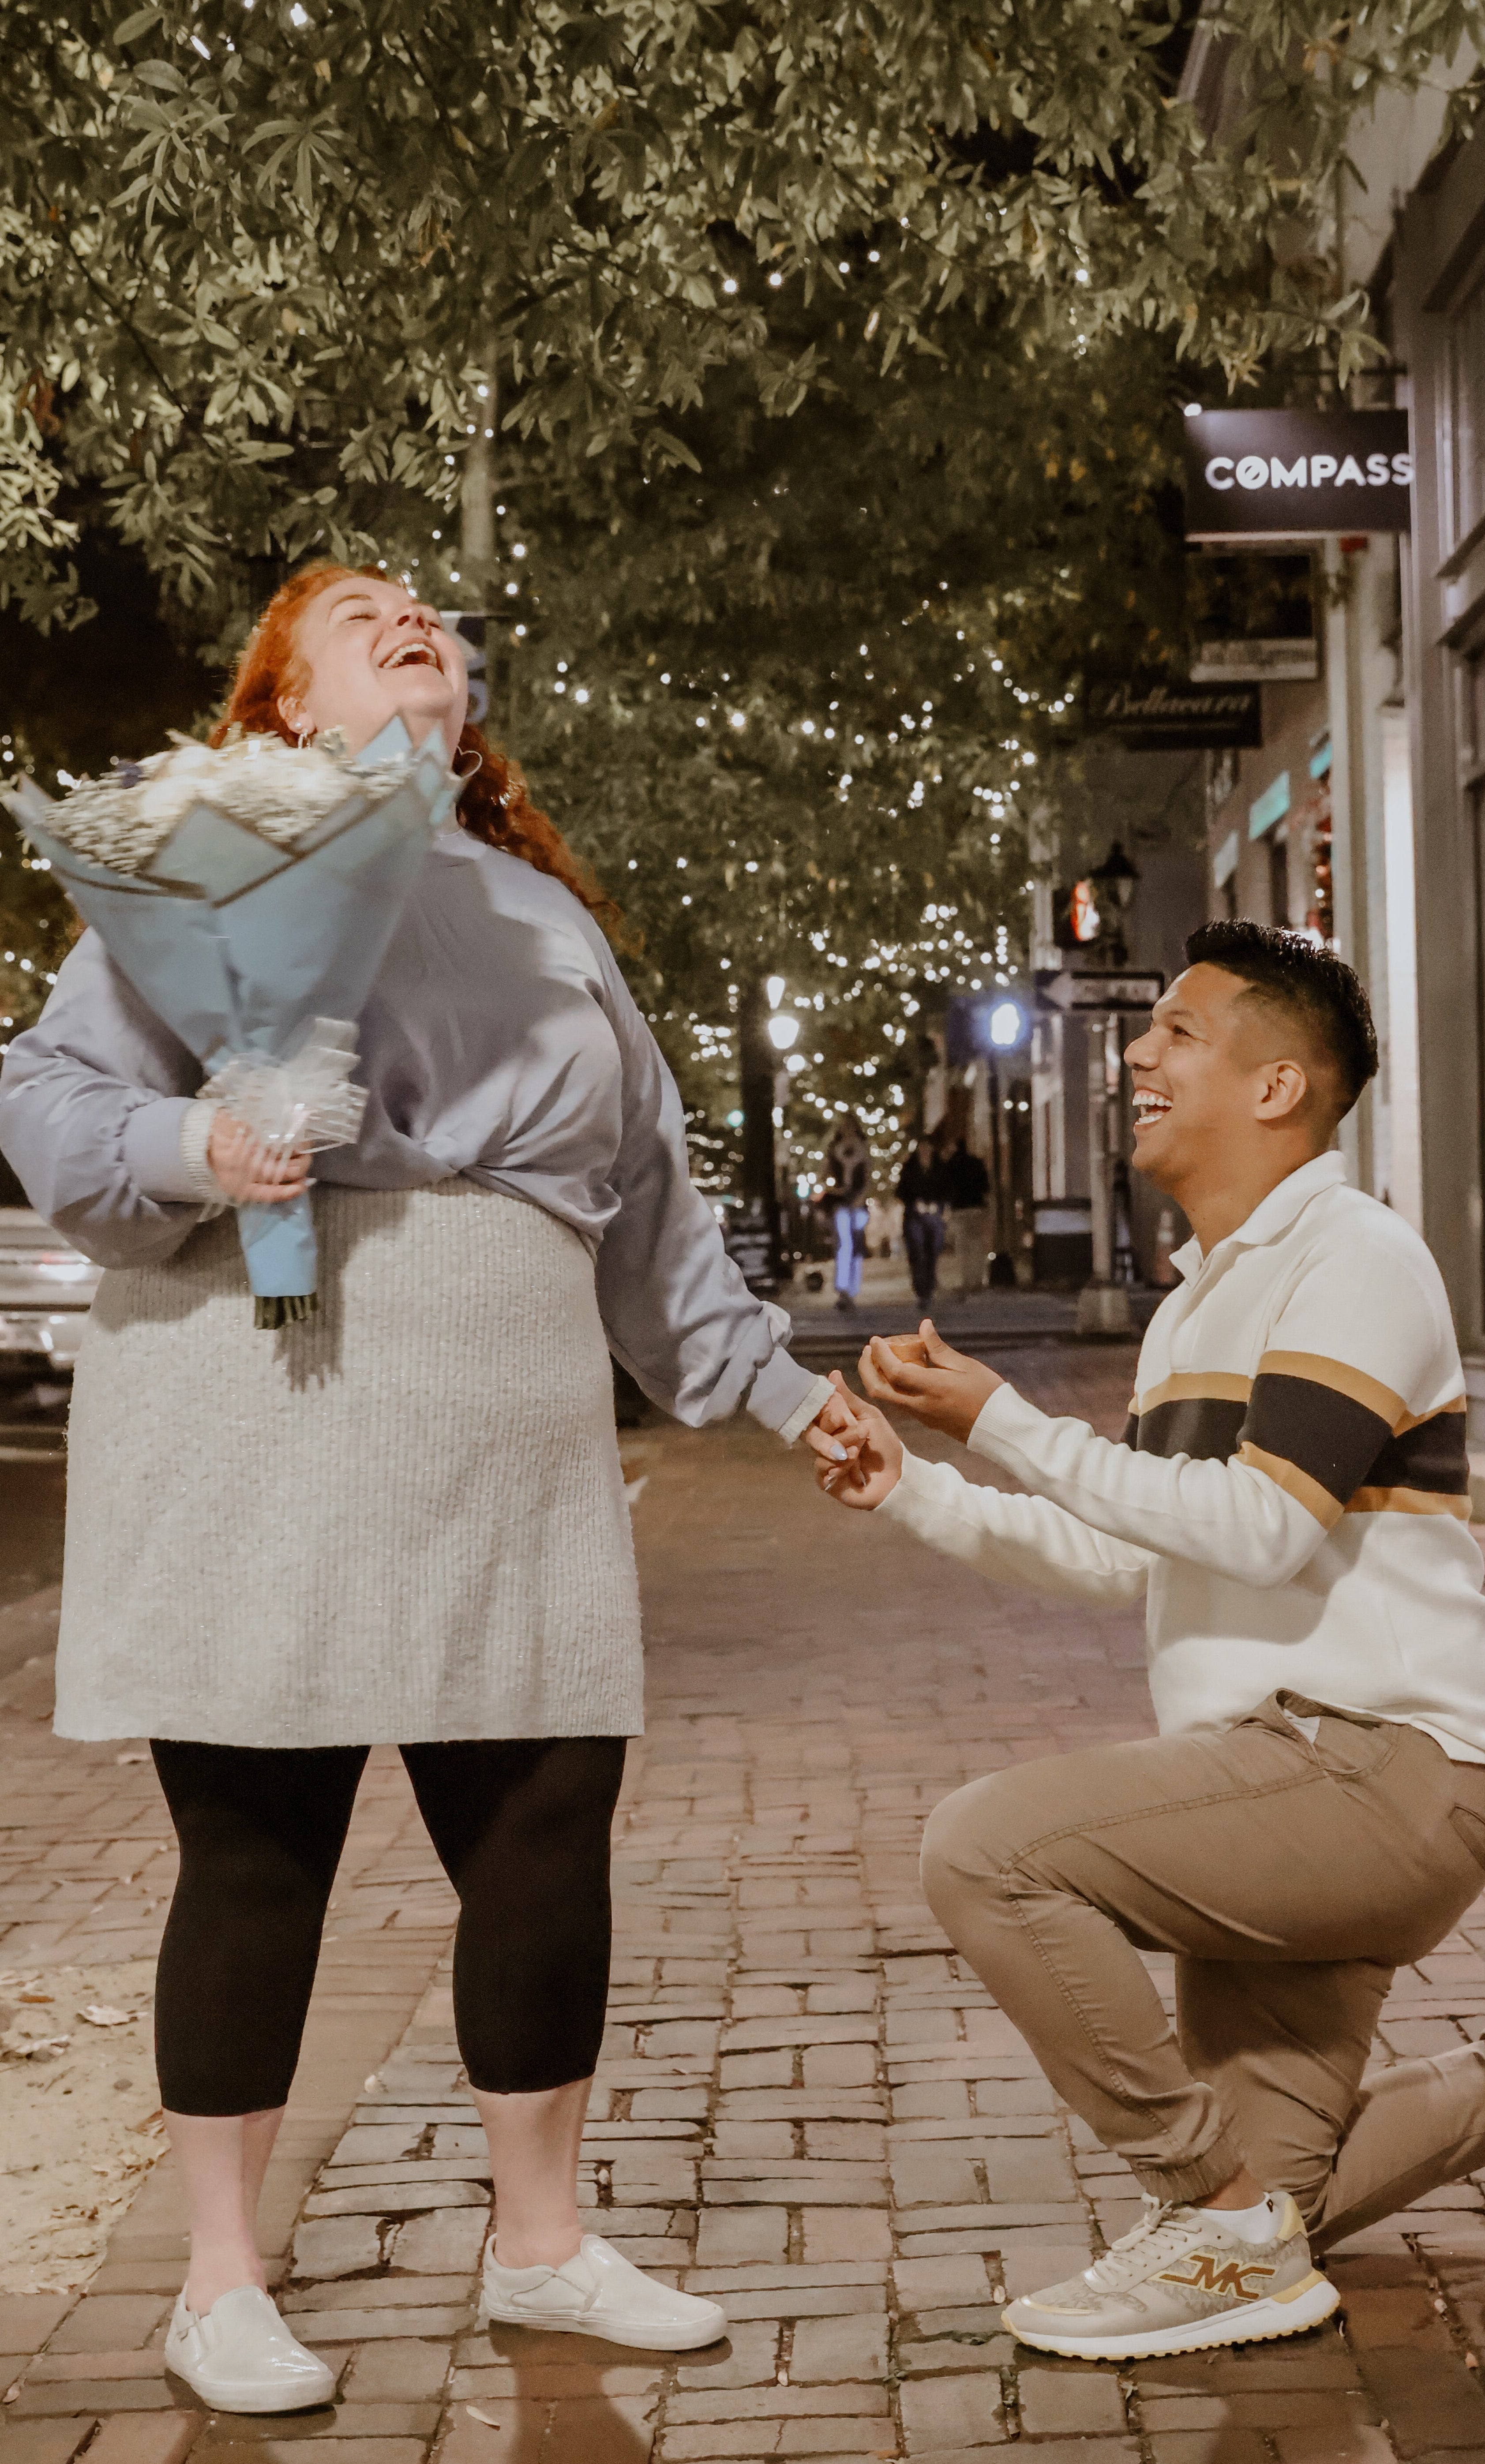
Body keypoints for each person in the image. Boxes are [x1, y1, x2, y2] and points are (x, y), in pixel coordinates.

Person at [0, 567, 860, 2412]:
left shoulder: (545, 909)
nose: (408, 619)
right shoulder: (202, 847)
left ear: (467, 694)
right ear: (286, 701)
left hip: (509, 1419)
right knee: (260, 1838)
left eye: (426, 614)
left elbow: (647, 1210)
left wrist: (787, 1398)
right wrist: (198, 1140)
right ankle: (218, 2275)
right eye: (357, 612)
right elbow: (56, 1106)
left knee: (549, 1808)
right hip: (262, 1399)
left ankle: (541, 2244)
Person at [815, 920, 1485, 2363]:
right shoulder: (1199, 1297)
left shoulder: (1357, 1257)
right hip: (1270, 1784)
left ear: (1278, 1086)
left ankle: (1208, 2205)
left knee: (985, 1847)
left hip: (1380, 1772)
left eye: (1177, 1032)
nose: (1138, 1053)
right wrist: (914, 1489)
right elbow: (1125, 1546)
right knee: (1290, 2205)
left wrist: (1004, 1419)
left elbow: (1263, 1525)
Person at [823, 1113, 871, 1313]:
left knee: (856, 1246)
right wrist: (835, 1190)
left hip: (858, 1204)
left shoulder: (863, 1150)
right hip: (841, 1203)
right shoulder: (834, 1151)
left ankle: (852, 1288)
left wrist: (862, 1197)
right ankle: (843, 1289)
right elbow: (825, 1175)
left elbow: (868, 1178)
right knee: (845, 1244)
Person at [896, 1134, 946, 1306]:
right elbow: (902, 1190)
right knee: (917, 1253)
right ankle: (921, 1290)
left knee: (932, 1253)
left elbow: (947, 1189)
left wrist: (936, 1204)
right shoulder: (910, 1168)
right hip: (914, 1217)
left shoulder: (939, 1167)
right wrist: (915, 1202)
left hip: (934, 1215)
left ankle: (929, 1287)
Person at [941, 1133, 991, 1295]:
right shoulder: (977, 1163)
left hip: (959, 1210)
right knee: (977, 1245)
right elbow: (986, 1187)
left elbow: (946, 1189)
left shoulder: (950, 1166)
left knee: (963, 1246)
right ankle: (978, 1280)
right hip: (977, 1208)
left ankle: (967, 1280)